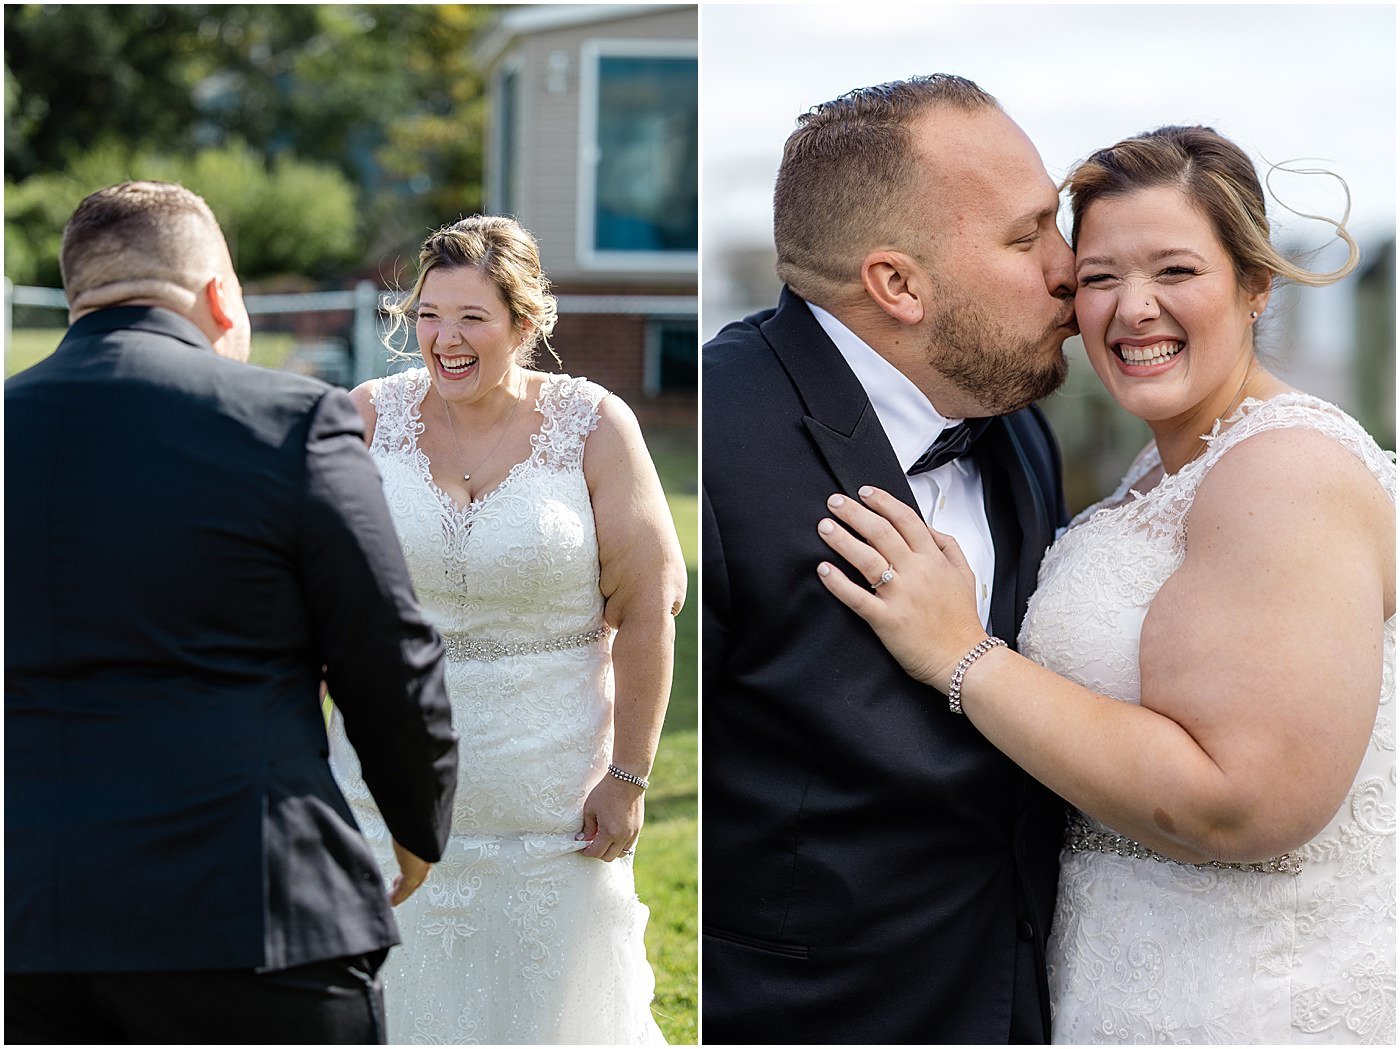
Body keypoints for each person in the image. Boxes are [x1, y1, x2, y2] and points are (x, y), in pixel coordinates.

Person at [816, 126, 1395, 1043]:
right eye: (1098, 278)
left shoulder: (1285, 471)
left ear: (1255, 285)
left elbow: (1243, 799)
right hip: (1124, 987)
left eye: (1174, 272)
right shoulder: (1152, 473)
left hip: (1254, 1002)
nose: (1133, 310)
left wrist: (962, 656)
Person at [5, 181, 459, 1043]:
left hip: (25, 923)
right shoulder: (292, 421)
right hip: (255, 913)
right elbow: (387, 652)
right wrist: (416, 824)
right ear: (220, 296)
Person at [702, 75, 1080, 1042]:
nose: (1069, 267)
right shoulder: (719, 442)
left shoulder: (1018, 424)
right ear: (897, 283)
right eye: (1026, 234)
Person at [326, 214, 686, 1044]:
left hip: (553, 796)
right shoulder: (367, 416)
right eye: (428, 315)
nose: (444, 339)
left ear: (524, 324)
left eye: (471, 318)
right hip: (386, 781)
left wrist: (628, 777)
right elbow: (311, 590)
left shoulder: (593, 424)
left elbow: (646, 605)